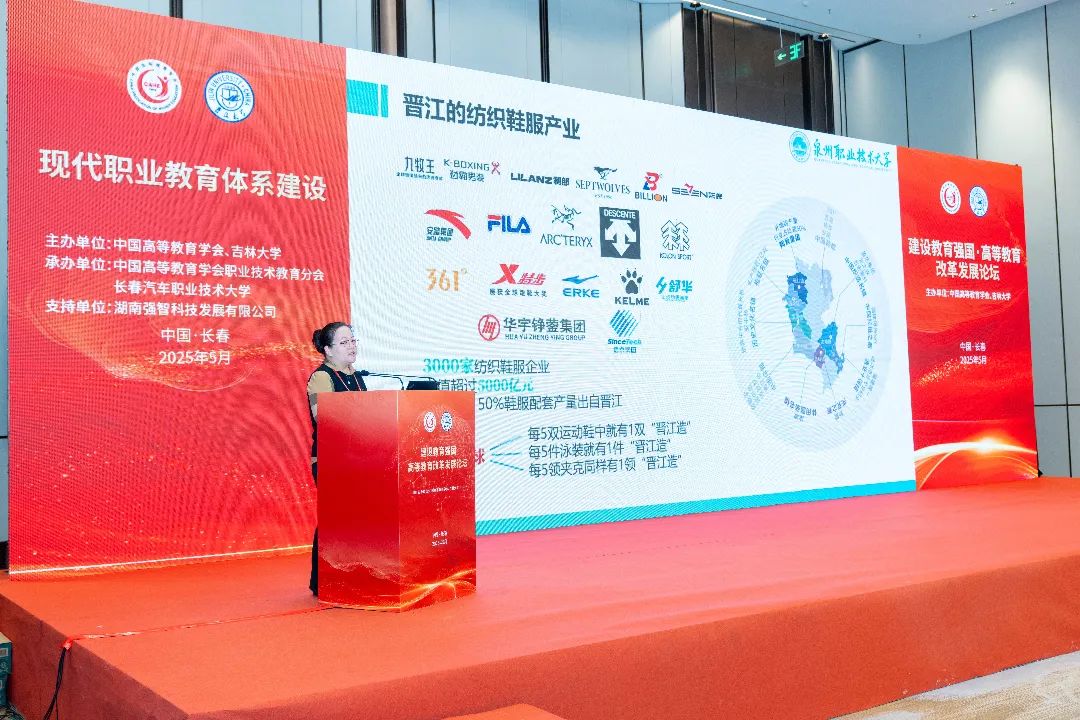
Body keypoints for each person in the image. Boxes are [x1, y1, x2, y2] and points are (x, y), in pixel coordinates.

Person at [307, 322, 367, 595]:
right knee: (335, 519)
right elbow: (324, 417)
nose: (351, 346)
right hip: (330, 460)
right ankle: (321, 581)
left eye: (353, 341)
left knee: (356, 519)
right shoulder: (322, 377)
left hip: (358, 459)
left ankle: (351, 574)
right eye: (344, 342)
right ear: (328, 349)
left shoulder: (357, 377)